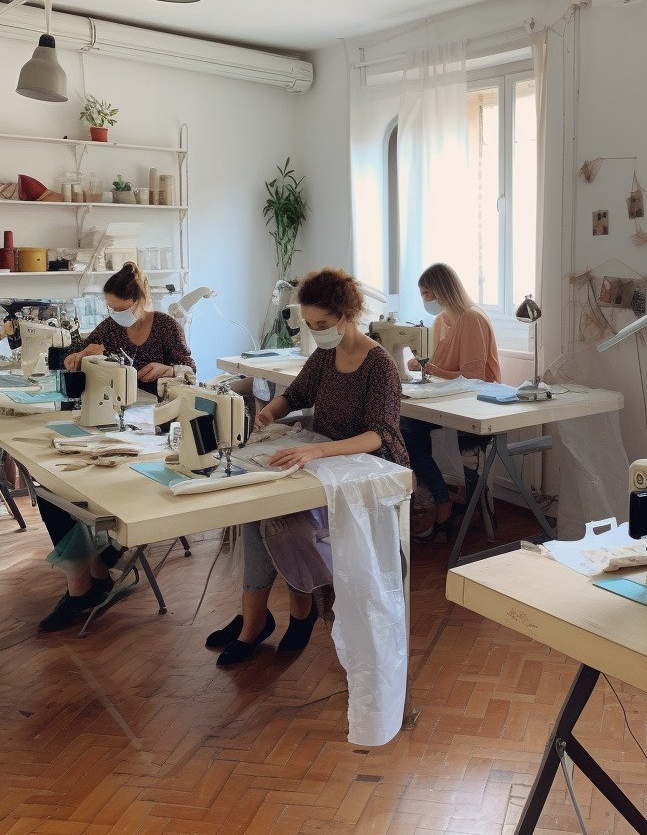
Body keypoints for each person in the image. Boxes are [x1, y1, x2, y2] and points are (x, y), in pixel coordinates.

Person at [205, 267, 408, 666]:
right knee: (253, 508)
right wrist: (264, 418)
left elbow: (380, 435)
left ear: (349, 314)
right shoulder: (325, 354)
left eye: (323, 324)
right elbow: (296, 394)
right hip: (326, 458)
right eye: (312, 325)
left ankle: (293, 613)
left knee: (281, 522)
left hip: (367, 468)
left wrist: (316, 453)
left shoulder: (379, 365)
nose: (318, 332)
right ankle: (256, 618)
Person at [37, 263, 196, 632]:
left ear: (140, 301)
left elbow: (190, 368)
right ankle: (92, 568)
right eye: (111, 307)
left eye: (121, 307)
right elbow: (68, 354)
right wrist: (82, 352)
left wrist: (167, 369)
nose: (116, 315)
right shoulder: (110, 328)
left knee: (86, 486)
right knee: (54, 489)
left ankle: (91, 575)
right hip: (123, 419)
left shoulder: (167, 326)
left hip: (159, 424)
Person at [398, 263, 500, 542]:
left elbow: (474, 377)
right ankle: (435, 499)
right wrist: (421, 365)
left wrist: (429, 368)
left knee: (405, 432)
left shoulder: (472, 319)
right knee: (395, 427)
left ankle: (441, 502)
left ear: (442, 290)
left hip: (474, 406)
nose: (425, 300)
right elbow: (437, 367)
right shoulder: (441, 320)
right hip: (447, 402)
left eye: (427, 293)